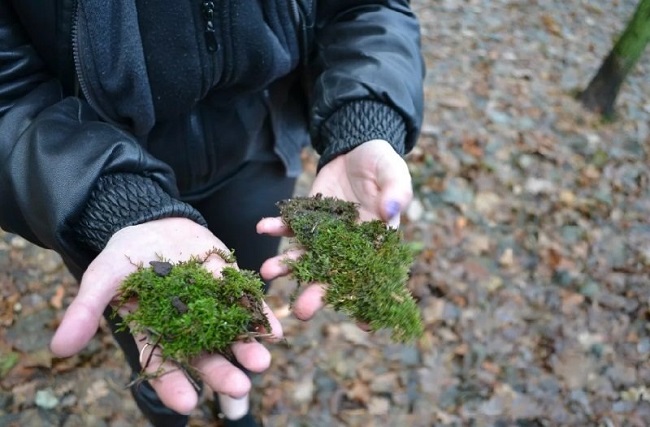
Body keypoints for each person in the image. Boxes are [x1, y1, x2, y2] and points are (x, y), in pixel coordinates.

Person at [0, 1, 424, 426]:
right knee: (152, 331)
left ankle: (234, 405)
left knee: (246, 301)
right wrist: (104, 201)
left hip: (255, 147)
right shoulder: (102, 200)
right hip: (94, 174)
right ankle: (166, 411)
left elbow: (364, 8)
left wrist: (364, 118)